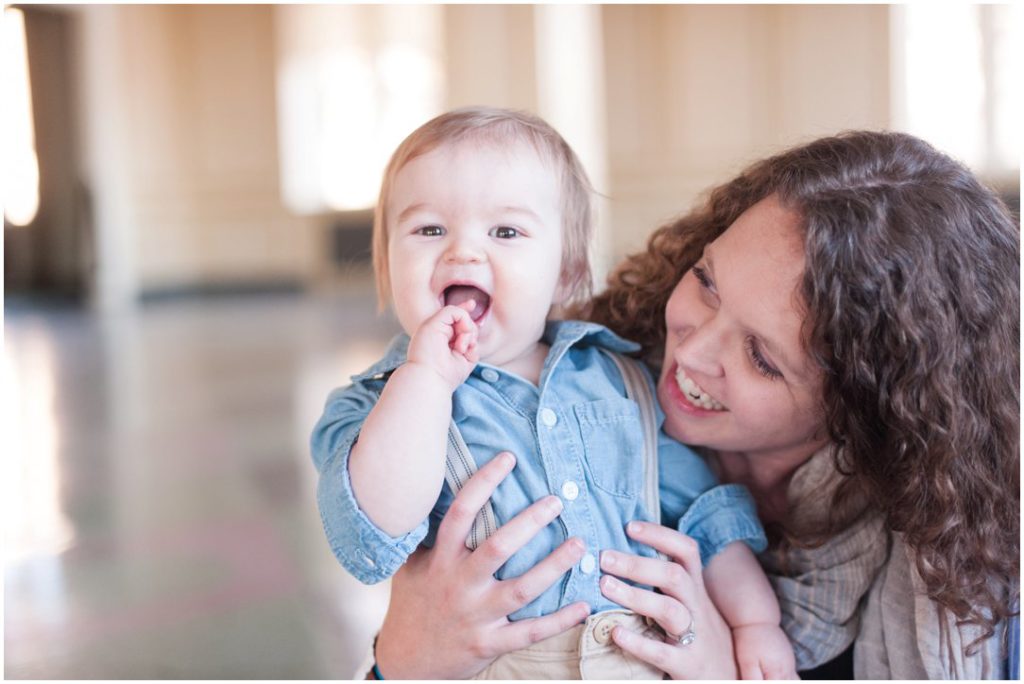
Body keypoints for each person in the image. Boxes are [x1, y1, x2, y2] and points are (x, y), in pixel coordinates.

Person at [366, 129, 1020, 679]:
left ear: (866, 405)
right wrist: (400, 656)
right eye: (706, 282)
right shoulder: (587, 386)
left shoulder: (949, 559)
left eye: (762, 356)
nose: (693, 351)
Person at [310, 106, 796, 679]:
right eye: (429, 230)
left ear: (565, 273)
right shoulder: (372, 405)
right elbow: (374, 530)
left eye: (506, 232)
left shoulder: (622, 381)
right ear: (387, 266)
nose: (463, 253)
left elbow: (704, 521)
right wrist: (425, 381)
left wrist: (753, 623)